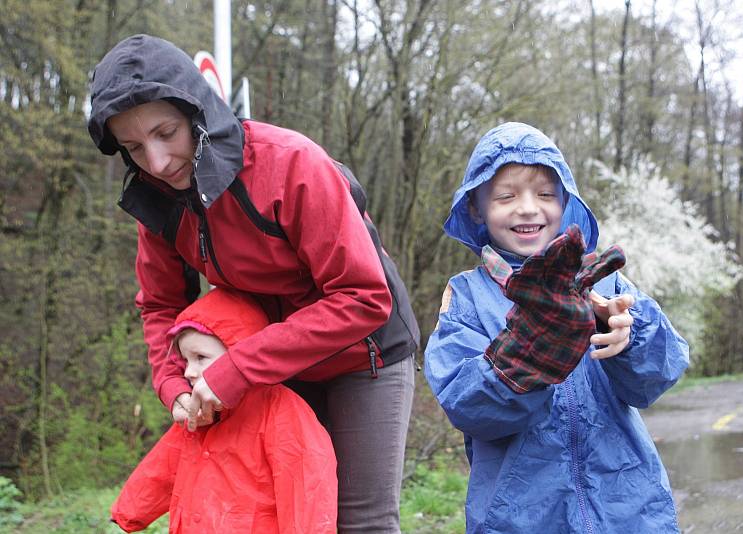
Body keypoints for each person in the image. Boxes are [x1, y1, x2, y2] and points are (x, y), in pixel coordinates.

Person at [88, 34, 419, 533]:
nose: (156, 162)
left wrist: (239, 367)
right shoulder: (156, 197)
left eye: (166, 132)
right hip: (272, 367)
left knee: (359, 522)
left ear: (197, 113)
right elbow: (160, 306)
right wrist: (172, 382)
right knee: (273, 512)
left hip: (364, 354)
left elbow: (364, 297)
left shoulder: (290, 164)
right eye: (134, 147)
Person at [424, 122, 690, 533]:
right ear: (476, 208)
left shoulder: (602, 281)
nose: (528, 208)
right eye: (506, 195)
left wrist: (629, 337)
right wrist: (527, 354)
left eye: (546, 194)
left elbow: (657, 377)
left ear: (565, 201)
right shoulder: (467, 297)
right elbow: (467, 405)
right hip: (521, 517)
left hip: (628, 509)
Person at [111, 288, 337, 533]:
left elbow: (305, 481)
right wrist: (129, 511)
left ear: (237, 352)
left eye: (200, 357)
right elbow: (163, 466)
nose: (188, 371)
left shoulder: (280, 409)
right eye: (185, 360)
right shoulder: (199, 412)